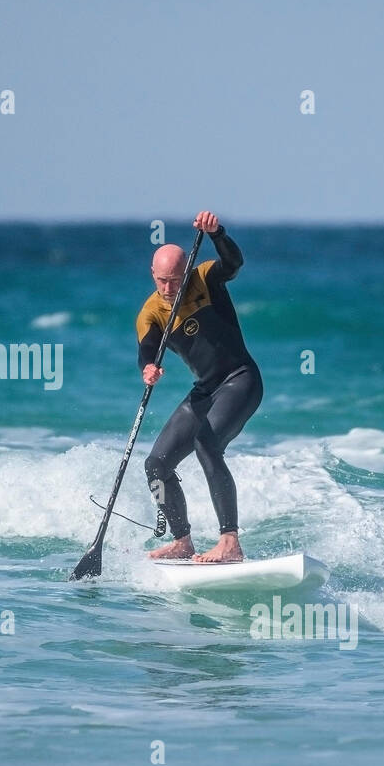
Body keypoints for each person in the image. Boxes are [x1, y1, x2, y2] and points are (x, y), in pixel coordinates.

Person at [138, 211, 262, 563]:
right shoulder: (151, 312)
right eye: (162, 281)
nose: (169, 289)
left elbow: (234, 262)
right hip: (206, 390)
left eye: (175, 280)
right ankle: (183, 541)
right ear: (153, 275)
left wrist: (217, 233)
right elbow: (146, 349)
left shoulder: (205, 278)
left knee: (206, 443)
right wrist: (148, 367)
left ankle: (230, 543)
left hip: (240, 379)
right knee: (157, 464)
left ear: (186, 271)